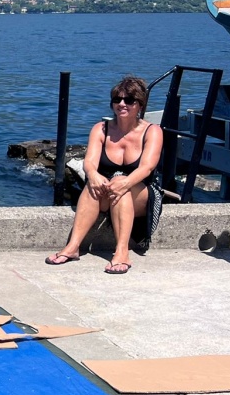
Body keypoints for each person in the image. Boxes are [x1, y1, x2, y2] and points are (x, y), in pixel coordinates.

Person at [45, 76, 163, 275]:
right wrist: (92, 175)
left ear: (140, 105)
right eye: (117, 100)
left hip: (141, 192)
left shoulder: (153, 131)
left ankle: (122, 252)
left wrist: (124, 183)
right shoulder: (100, 129)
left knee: (119, 184)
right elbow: (89, 162)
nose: (122, 104)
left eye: (129, 100)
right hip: (108, 192)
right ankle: (73, 247)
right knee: (93, 185)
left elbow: (147, 168)